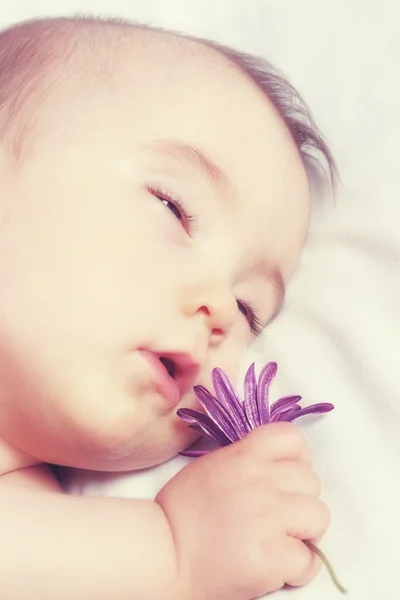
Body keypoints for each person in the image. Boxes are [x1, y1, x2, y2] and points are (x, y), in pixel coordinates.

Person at [0, 16, 335, 599]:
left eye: (249, 310)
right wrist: (170, 556)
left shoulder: (52, 533)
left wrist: (179, 550)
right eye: (174, 209)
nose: (221, 313)